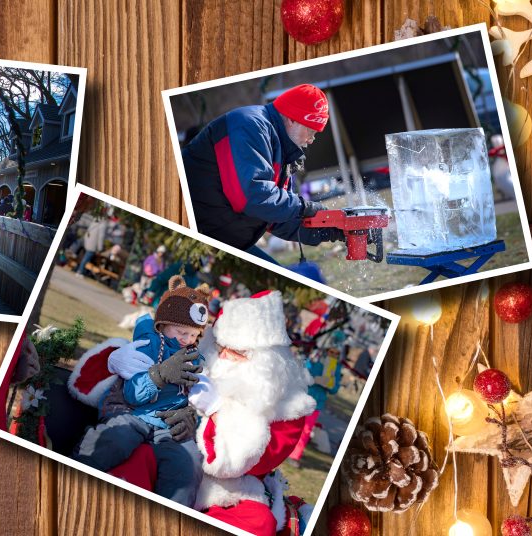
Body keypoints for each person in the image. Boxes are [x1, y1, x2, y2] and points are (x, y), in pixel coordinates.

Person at [73, 276, 210, 507]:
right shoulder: (149, 345)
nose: (188, 340)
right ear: (163, 325)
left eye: (195, 335)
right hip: (133, 412)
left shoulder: (195, 359)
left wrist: (190, 418)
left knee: (188, 464)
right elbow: (131, 394)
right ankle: (78, 465)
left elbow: (198, 397)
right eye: (181, 332)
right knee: (117, 438)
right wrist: (159, 375)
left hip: (167, 424)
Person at [190, 291, 318, 535]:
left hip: (232, 488)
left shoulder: (288, 409)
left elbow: (258, 462)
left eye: (236, 352)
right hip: (175, 458)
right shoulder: (200, 368)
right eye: (219, 347)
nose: (223, 356)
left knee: (258, 522)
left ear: (266, 361)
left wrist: (217, 412)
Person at [180, 84, 345, 264]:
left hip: (221, 238)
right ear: (292, 119)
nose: (312, 139)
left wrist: (333, 227)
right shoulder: (249, 125)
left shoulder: (283, 150)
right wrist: (305, 207)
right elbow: (253, 198)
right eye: (311, 130)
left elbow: (278, 218)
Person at [76, 212, 108, 277]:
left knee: (85, 257)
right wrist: (100, 248)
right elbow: (100, 237)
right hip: (93, 244)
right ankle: (80, 271)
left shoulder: (95, 220)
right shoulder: (103, 224)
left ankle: (80, 270)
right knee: (86, 258)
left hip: (88, 241)